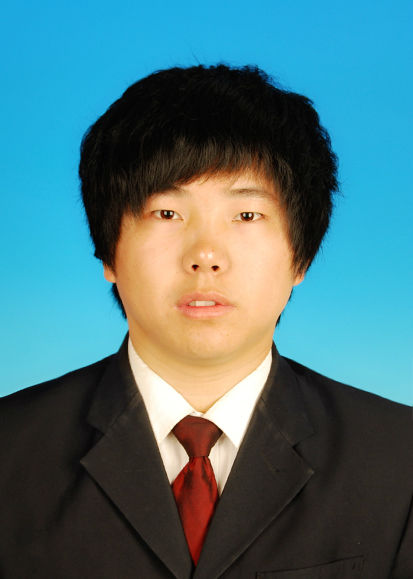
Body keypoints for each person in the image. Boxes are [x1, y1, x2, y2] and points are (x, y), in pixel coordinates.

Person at [0, 64, 411, 579]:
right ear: (108, 252)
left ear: (300, 258)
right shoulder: (10, 452)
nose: (206, 256)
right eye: (167, 214)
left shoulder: (400, 460)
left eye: (246, 216)